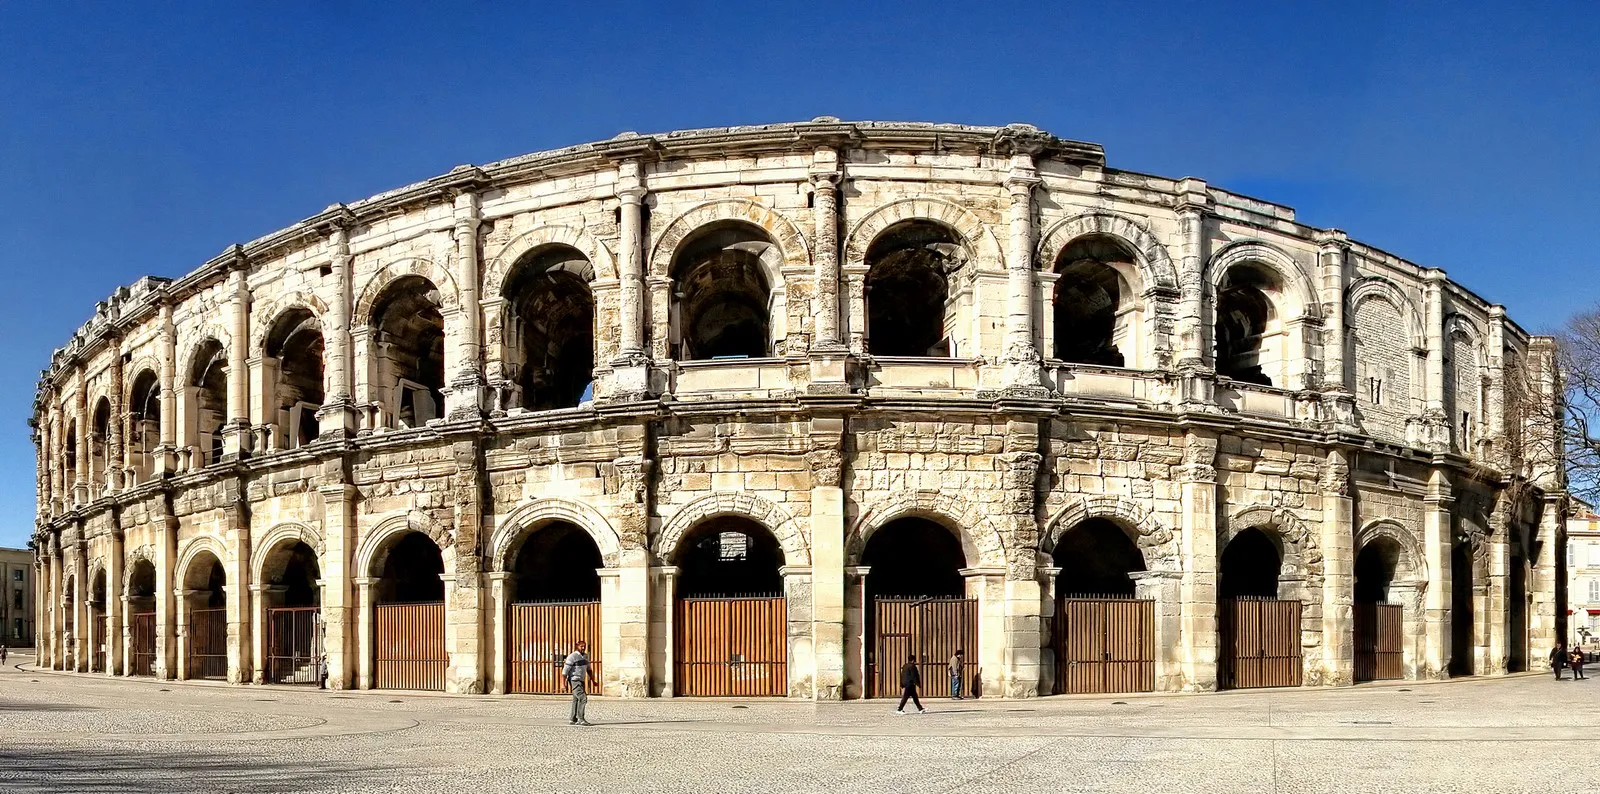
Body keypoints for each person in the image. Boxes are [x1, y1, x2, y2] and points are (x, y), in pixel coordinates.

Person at [562, 640, 599, 726]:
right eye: (581, 646)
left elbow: (589, 669)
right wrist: (563, 684)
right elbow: (564, 672)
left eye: (584, 646)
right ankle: (581, 719)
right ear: (577, 646)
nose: (583, 648)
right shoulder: (572, 657)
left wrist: (593, 681)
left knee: (576, 699)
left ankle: (573, 718)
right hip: (574, 680)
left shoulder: (585, 656)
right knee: (583, 698)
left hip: (581, 680)